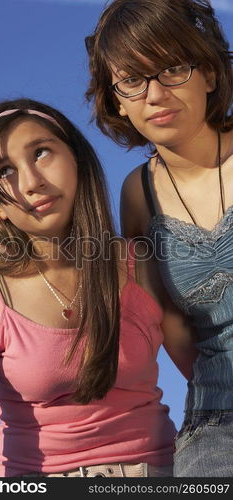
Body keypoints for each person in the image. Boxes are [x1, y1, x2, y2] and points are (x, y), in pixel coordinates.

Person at [0, 97, 194, 478]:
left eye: (41, 153)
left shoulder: (140, 266)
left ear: (75, 158)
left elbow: (208, 376)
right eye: (5, 171)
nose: (31, 182)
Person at [85, 0, 233, 477]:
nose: (154, 94)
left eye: (172, 67)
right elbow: (170, 322)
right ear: (116, 100)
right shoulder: (137, 195)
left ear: (208, 73)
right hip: (218, 419)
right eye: (132, 79)